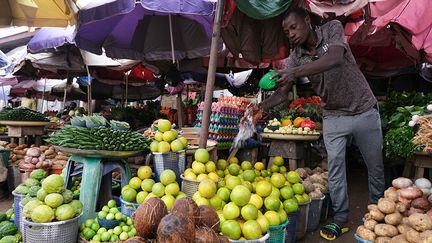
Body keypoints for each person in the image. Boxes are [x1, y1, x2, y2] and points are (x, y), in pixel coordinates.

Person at [253, 7, 385, 240]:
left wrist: (294, 72)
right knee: (334, 167)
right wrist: (260, 107)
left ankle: (378, 213)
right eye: (286, 32)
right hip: (333, 114)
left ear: (306, 20)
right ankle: (341, 218)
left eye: (293, 27)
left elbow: (334, 58)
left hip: (363, 108)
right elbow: (283, 95)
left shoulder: (331, 29)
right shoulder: (296, 56)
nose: (291, 34)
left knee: (374, 165)